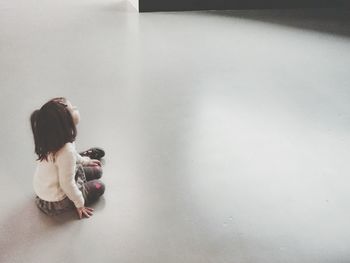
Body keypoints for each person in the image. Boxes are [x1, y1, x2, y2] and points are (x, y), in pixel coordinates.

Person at [30, 97, 105, 219]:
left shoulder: (52, 140)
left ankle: (81, 161)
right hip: (54, 200)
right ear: (64, 124)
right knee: (99, 186)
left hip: (47, 188)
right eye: (72, 110)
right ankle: (77, 190)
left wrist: (85, 161)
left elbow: (72, 154)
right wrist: (80, 204)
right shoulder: (66, 152)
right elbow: (67, 184)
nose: (75, 109)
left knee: (97, 170)